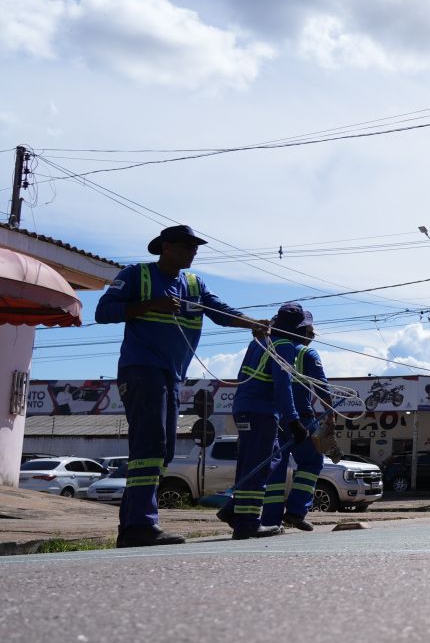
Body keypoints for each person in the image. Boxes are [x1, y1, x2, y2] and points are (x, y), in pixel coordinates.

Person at [94, 225, 265, 548]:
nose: (194, 251)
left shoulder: (194, 284)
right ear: (166, 247)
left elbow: (220, 312)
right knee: (151, 446)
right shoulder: (136, 275)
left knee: (162, 451)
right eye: (187, 246)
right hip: (142, 370)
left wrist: (252, 323)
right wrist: (148, 306)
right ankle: (140, 524)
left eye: (195, 247)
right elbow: (103, 312)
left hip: (171, 376)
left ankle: (134, 527)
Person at [220, 304, 311, 540]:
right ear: (295, 329)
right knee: (257, 464)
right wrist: (294, 422)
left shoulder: (259, 341)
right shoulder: (284, 346)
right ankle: (247, 523)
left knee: (269, 458)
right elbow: (283, 388)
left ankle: (234, 509)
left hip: (244, 407)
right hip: (261, 412)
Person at [264, 312, 328, 532]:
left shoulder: (270, 347)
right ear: (302, 331)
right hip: (302, 418)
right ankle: (295, 511)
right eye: (310, 333)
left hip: (275, 418)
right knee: (312, 463)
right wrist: (331, 417)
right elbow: (322, 388)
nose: (311, 338)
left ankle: (270, 520)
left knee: (276, 469)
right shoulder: (307, 353)